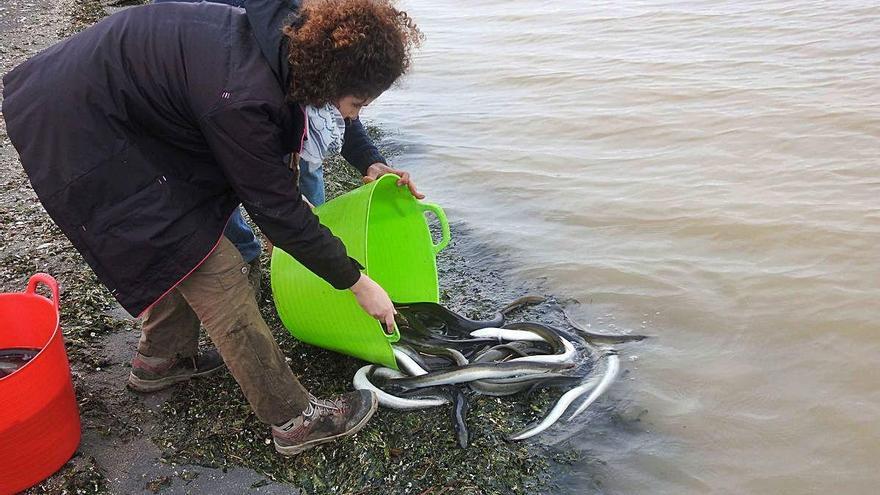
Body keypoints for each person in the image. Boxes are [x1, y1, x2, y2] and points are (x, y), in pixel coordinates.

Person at [1, 0, 422, 455]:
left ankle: (160, 360)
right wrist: (357, 282)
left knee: (181, 238)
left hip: (123, 105)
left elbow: (326, 120)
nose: (354, 115)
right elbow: (277, 213)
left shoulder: (294, 39)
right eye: (356, 103)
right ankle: (294, 419)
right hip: (79, 124)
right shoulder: (243, 93)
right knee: (209, 262)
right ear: (330, 78)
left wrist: (371, 161)